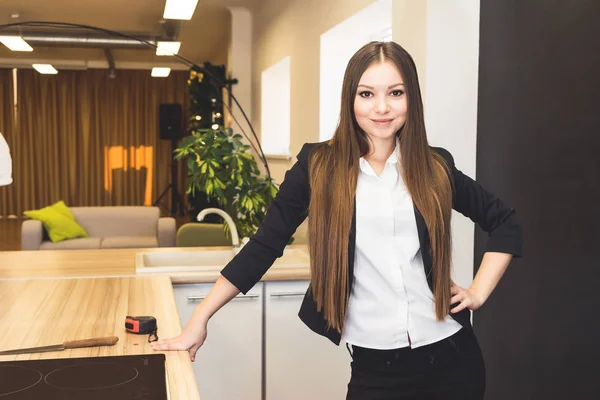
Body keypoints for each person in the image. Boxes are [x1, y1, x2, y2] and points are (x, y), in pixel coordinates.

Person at [152, 41, 523, 399]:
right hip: (376, 368)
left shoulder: (435, 167)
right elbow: (264, 246)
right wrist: (200, 318)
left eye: (395, 93)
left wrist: (476, 293)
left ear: (412, 98)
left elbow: (504, 222)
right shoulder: (318, 167)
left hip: (453, 360)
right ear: (350, 98)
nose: (382, 107)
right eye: (366, 94)